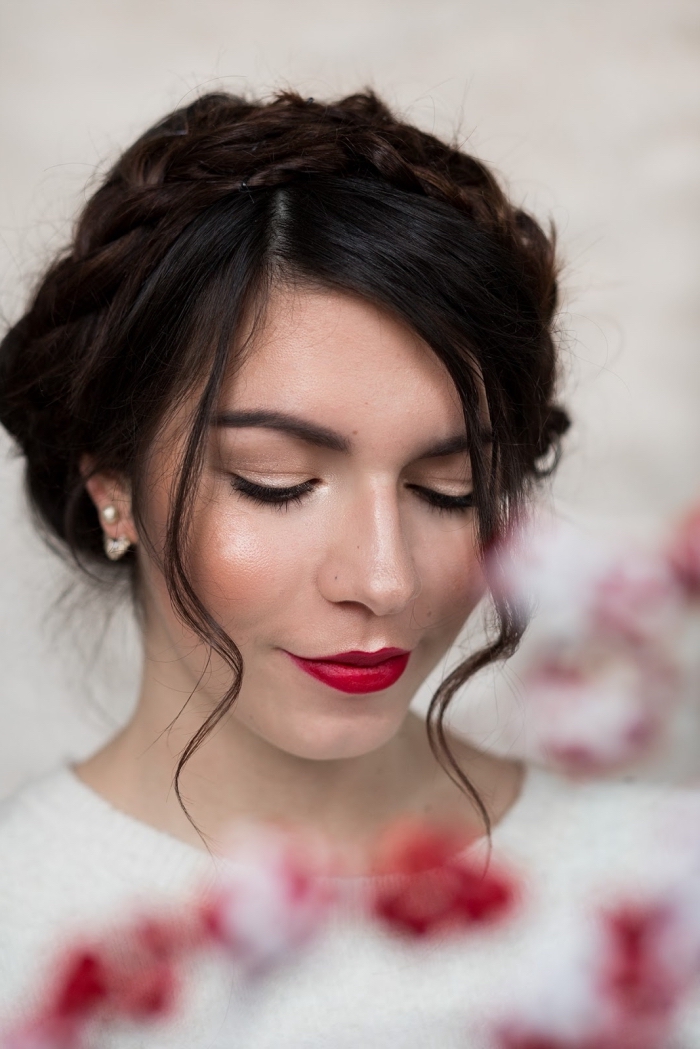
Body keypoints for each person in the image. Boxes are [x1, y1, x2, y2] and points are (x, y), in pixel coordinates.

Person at [0, 90, 693, 1048]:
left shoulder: (659, 889)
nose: (386, 578)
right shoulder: (23, 929)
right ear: (112, 485)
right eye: (276, 483)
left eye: (449, 488)